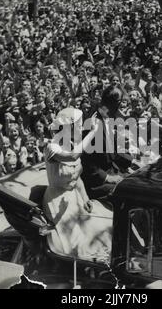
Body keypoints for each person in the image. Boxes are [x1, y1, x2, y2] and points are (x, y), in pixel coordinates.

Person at [42, 108, 112, 262]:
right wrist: (93, 132)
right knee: (79, 242)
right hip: (56, 199)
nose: (81, 128)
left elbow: (77, 178)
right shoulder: (51, 147)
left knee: (102, 227)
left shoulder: (74, 144)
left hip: (75, 197)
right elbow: (73, 156)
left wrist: (85, 198)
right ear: (69, 127)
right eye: (79, 125)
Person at [81, 86, 134, 199]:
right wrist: (107, 178)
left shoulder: (107, 117)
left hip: (113, 170)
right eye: (121, 104)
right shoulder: (93, 122)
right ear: (115, 104)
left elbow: (111, 151)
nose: (123, 107)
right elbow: (85, 160)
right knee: (131, 192)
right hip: (97, 182)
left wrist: (130, 161)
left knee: (138, 181)